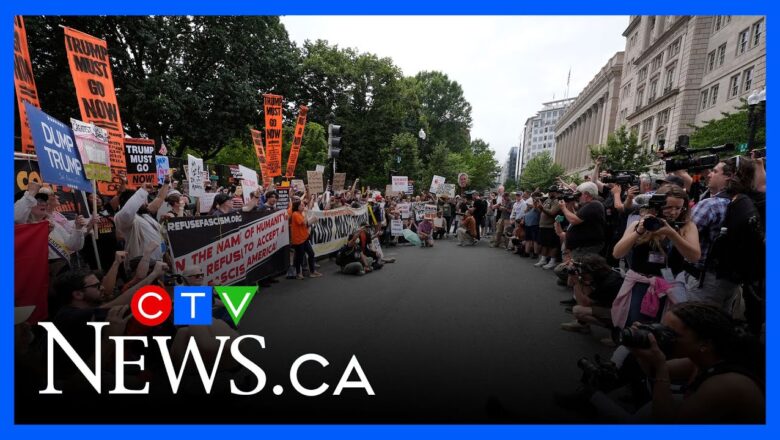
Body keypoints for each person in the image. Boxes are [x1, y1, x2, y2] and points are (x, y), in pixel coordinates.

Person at [626, 302, 764, 423]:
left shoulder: (725, 384)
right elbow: (652, 371)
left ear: (704, 344)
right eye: (661, 329)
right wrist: (640, 347)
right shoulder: (703, 359)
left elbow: (667, 428)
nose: (662, 338)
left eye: (670, 335)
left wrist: (660, 366)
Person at [611, 184, 700, 329]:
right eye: (668, 207)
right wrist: (638, 232)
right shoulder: (639, 223)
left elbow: (694, 256)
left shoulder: (687, 226)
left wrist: (672, 234)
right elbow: (617, 253)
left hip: (671, 285)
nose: (673, 212)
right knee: (637, 326)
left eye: (679, 208)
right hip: (640, 283)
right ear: (657, 206)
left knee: (667, 328)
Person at [560, 254, 624, 335]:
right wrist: (572, 272)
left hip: (619, 313)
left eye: (583, 273)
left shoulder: (609, 283)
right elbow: (569, 284)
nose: (581, 274)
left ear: (593, 271)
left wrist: (577, 283)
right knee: (584, 288)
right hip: (609, 305)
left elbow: (584, 303)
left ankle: (615, 331)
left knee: (578, 310)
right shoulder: (602, 274)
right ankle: (583, 324)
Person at [115, 182, 167, 262]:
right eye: (143, 200)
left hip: (158, 263)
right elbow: (128, 211)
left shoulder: (145, 215)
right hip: (141, 266)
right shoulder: (123, 218)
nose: (146, 203)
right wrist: (142, 191)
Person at [559, 182, 606, 259]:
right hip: (582, 246)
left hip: (587, 246)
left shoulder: (594, 205)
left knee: (583, 268)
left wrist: (563, 208)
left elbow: (574, 220)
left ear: (586, 194)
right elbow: (574, 216)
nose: (577, 197)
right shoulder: (587, 205)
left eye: (579, 194)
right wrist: (570, 204)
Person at [289, 198, 322, 280]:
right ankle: (298, 273)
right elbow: (304, 222)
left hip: (304, 237)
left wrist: (311, 219)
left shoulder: (300, 213)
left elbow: (306, 224)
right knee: (299, 257)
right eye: (301, 205)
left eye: (303, 205)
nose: (303, 207)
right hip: (298, 239)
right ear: (297, 206)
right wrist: (308, 214)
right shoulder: (295, 214)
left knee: (311, 253)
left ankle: (312, 271)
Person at [538, 186, 563, 269]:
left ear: (556, 192)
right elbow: (541, 210)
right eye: (549, 191)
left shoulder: (557, 201)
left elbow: (552, 213)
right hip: (543, 226)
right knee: (544, 244)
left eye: (552, 191)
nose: (550, 193)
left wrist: (542, 208)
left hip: (550, 226)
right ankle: (543, 259)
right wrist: (538, 206)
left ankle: (552, 261)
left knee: (553, 245)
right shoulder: (547, 200)